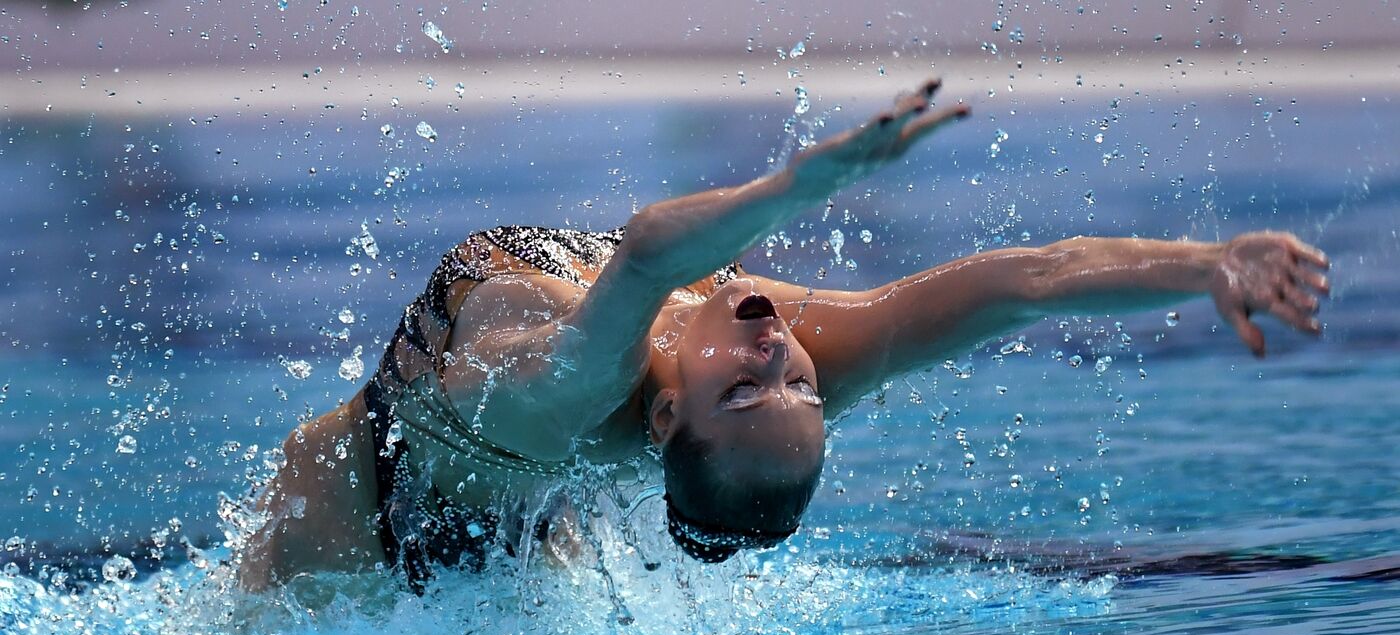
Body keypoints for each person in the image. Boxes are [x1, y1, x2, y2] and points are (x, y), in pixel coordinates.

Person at [236, 79, 1330, 594]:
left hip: (350, 520)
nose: (780, 362)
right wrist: (1203, 265)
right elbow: (1026, 285)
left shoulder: (570, 382)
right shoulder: (791, 356)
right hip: (507, 523)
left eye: (750, 395)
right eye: (803, 392)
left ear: (665, 415)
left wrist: (800, 184)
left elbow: (651, 246)